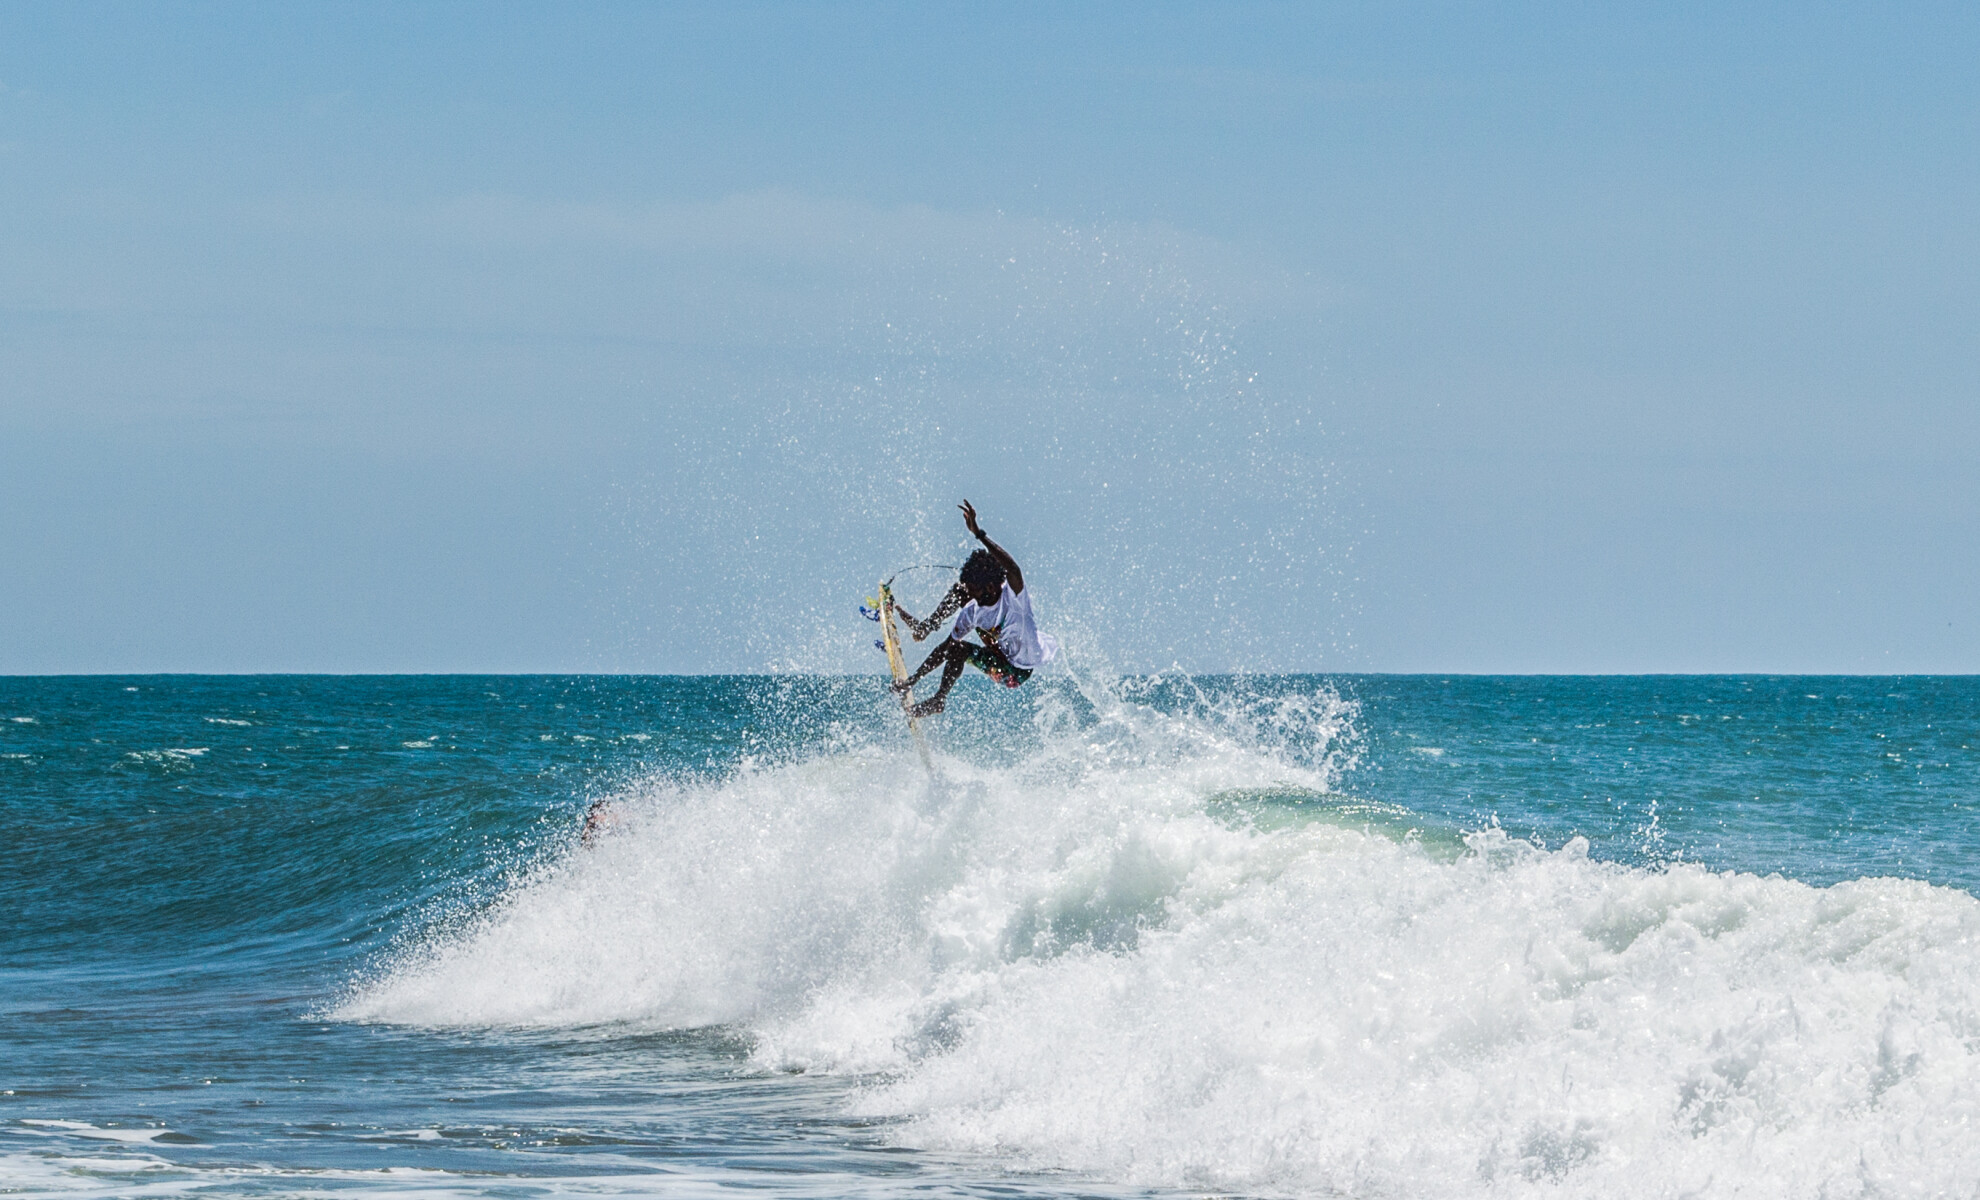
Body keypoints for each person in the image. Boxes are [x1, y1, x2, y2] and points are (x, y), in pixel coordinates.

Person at [892, 500, 1059, 718]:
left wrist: (979, 534)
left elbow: (1012, 568)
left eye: (976, 590)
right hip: (997, 649)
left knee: (961, 649)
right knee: (958, 608)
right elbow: (945, 648)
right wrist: (911, 681)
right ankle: (926, 629)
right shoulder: (972, 611)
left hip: (1015, 671)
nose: (972, 595)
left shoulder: (1015, 599)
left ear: (991, 586)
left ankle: (938, 699)